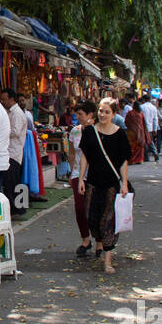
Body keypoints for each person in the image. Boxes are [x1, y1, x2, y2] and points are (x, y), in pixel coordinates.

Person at [77, 97, 131, 274]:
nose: (103, 114)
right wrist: (81, 179)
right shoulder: (89, 132)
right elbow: (85, 156)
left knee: (108, 222)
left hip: (111, 185)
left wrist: (124, 183)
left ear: (114, 114)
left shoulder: (120, 134)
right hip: (92, 182)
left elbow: (123, 161)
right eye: (101, 111)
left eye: (107, 112)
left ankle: (107, 259)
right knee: (92, 219)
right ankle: (98, 243)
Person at [68, 102, 93, 256]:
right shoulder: (75, 131)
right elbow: (71, 153)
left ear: (90, 115)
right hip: (78, 174)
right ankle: (85, 239)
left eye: (80, 114)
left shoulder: (97, 131)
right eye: (76, 115)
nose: (77, 118)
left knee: (96, 208)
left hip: (95, 174)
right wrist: (71, 173)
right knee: (79, 208)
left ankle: (100, 242)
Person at [0, 87, 28, 216]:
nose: (2, 102)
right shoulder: (10, 112)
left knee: (12, 182)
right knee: (10, 182)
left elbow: (15, 131)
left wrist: (1, 132)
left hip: (14, 153)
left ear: (11, 99)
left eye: (4, 99)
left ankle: (17, 209)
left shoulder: (17, 113)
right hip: (9, 152)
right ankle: (15, 208)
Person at [123, 100, 149, 165]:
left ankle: (132, 160)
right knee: (139, 147)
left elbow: (126, 122)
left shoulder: (130, 113)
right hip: (140, 133)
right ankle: (139, 160)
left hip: (131, 133)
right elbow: (143, 124)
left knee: (132, 147)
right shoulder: (141, 114)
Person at [140, 95, 161, 161]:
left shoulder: (141, 107)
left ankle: (146, 157)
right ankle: (154, 152)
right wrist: (155, 129)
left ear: (143, 99)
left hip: (142, 127)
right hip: (150, 127)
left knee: (144, 142)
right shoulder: (153, 108)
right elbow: (155, 119)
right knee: (149, 141)